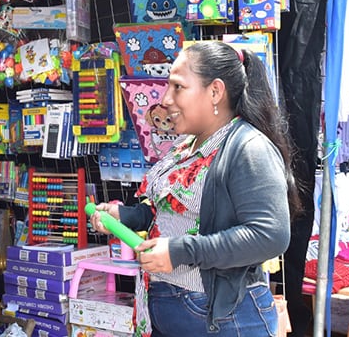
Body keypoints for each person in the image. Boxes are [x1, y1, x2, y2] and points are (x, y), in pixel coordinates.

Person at [90, 41, 300, 336]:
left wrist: (178, 251)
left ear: (215, 91)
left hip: (226, 320)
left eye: (178, 87)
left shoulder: (248, 148)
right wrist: (123, 216)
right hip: (174, 311)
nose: (165, 99)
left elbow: (270, 236)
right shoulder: (186, 146)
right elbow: (169, 213)